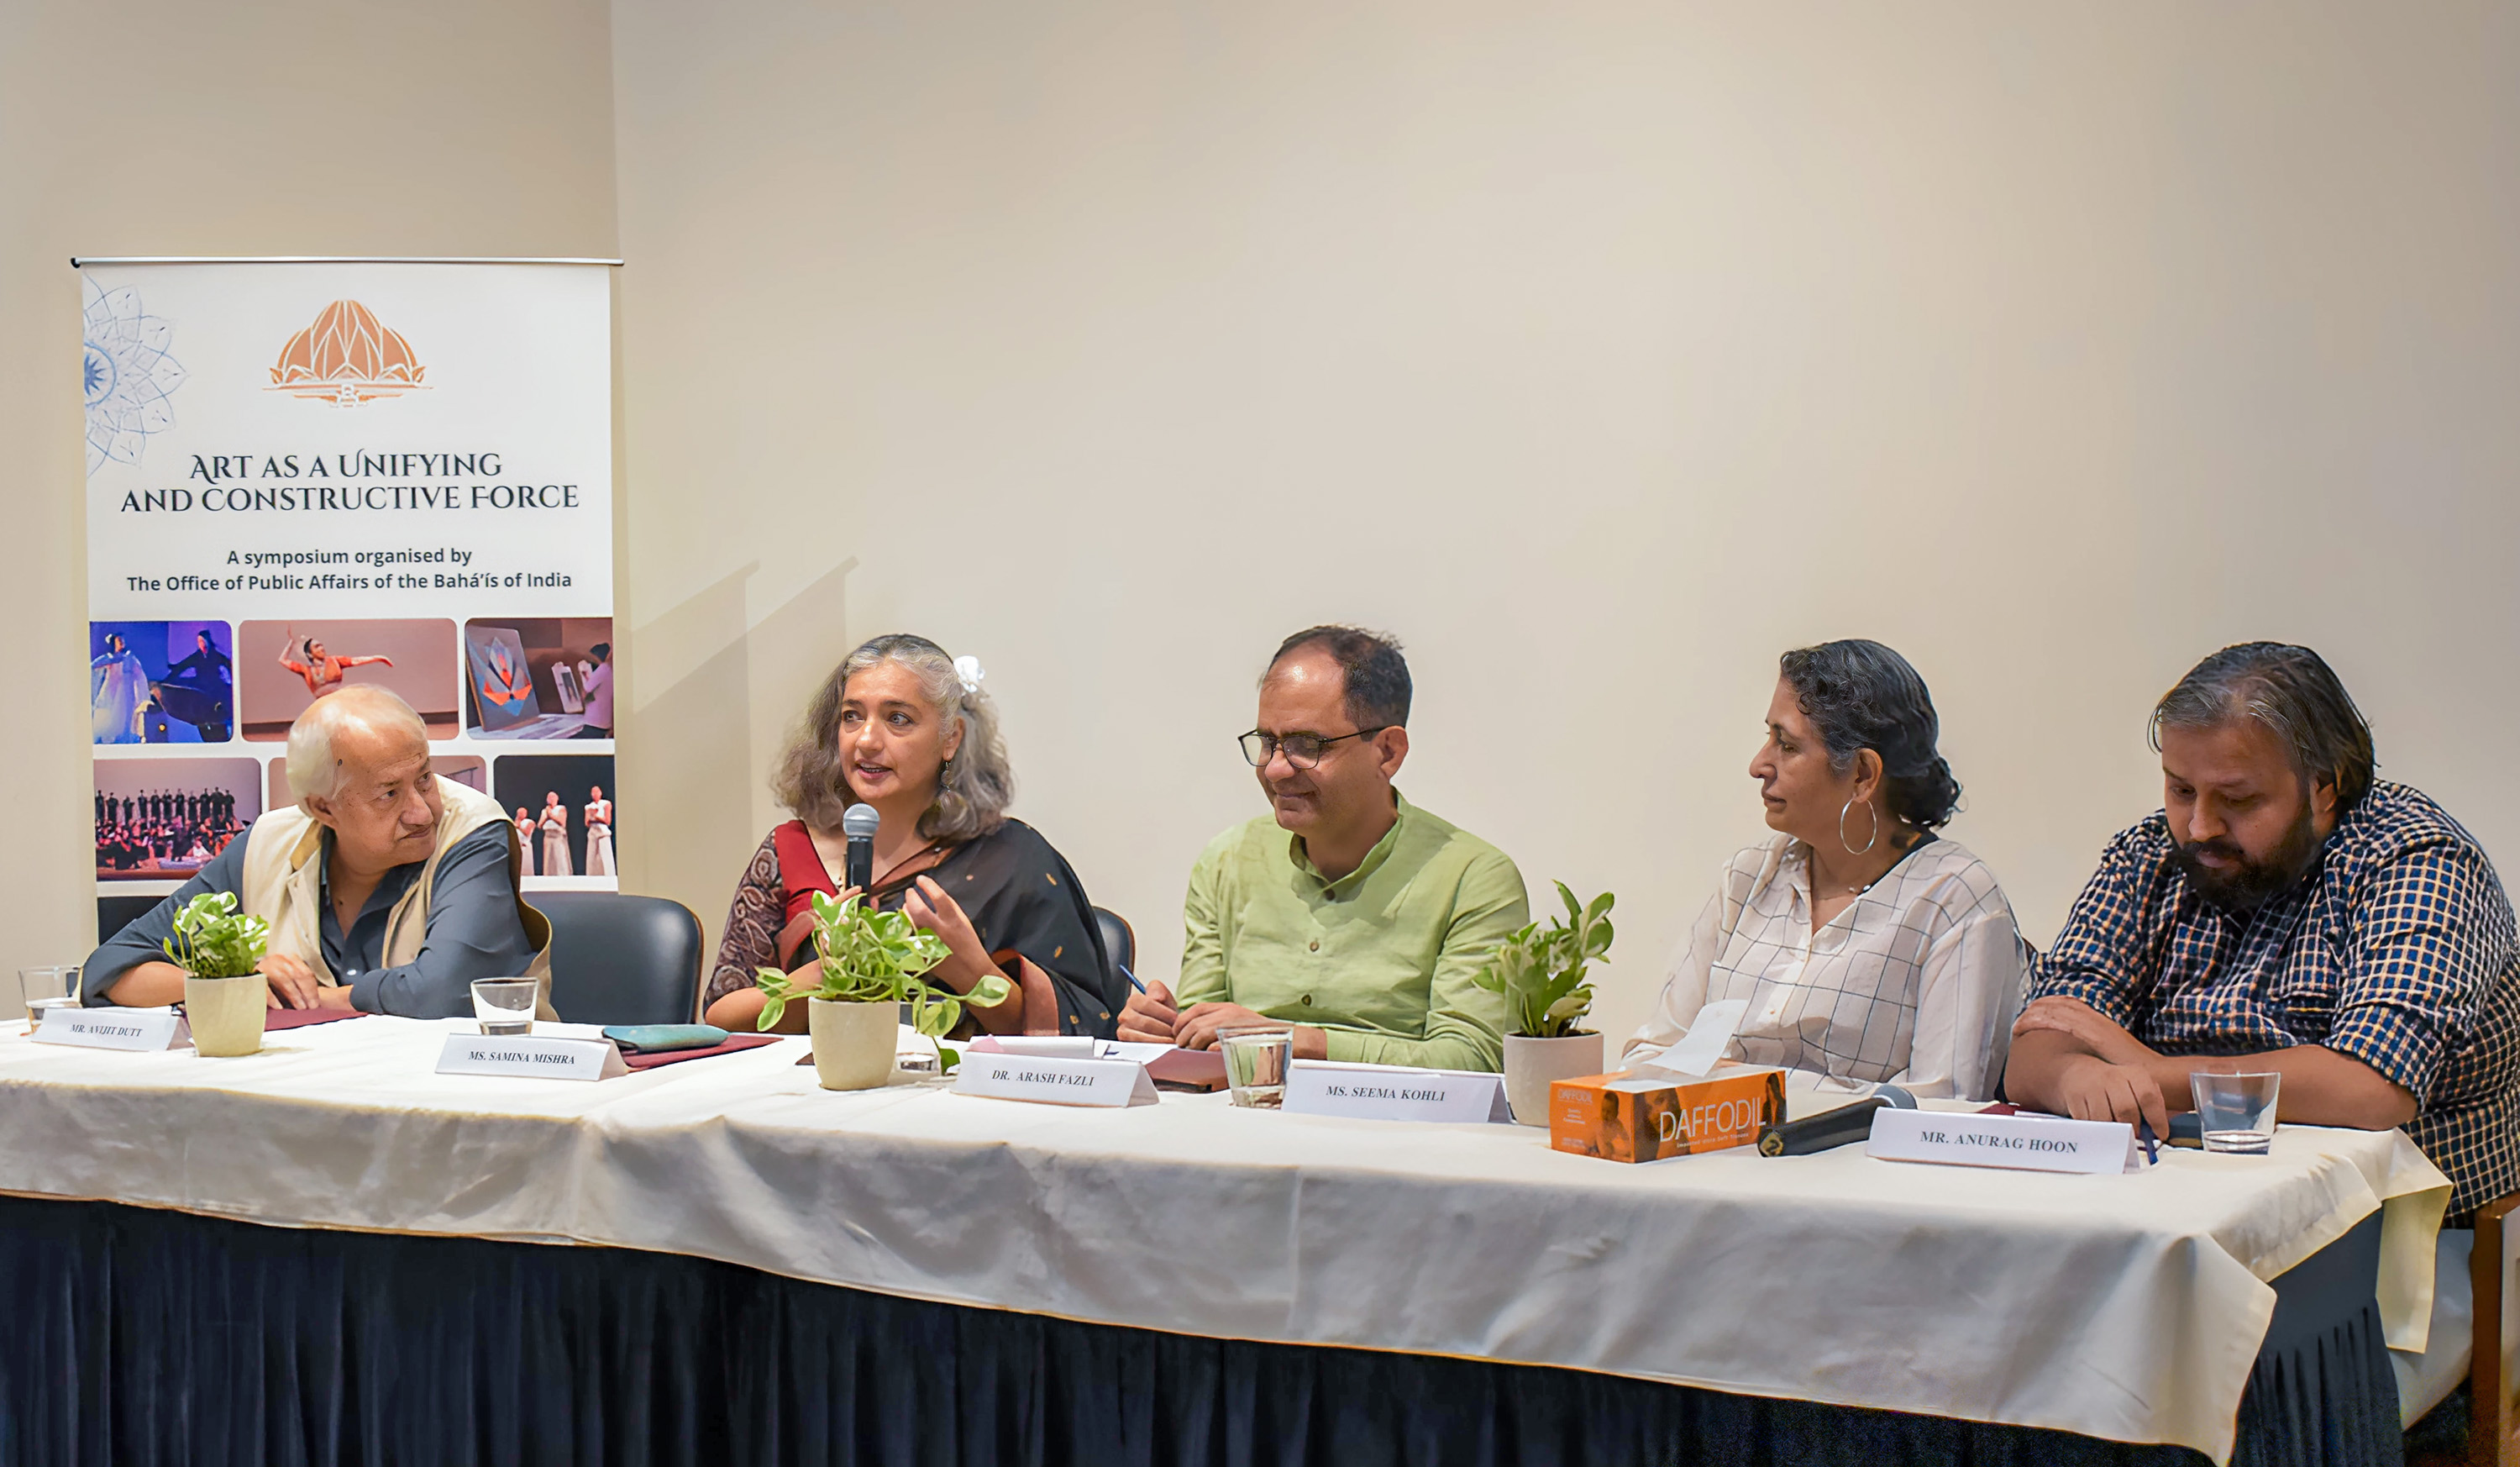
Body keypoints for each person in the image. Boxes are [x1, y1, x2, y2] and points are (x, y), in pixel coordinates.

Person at [2006, 643, 2520, 1228]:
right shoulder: (2145, 858)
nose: (2200, 827)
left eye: (2238, 799)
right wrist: (2078, 1076)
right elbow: (2038, 1042)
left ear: (2325, 788)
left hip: (2395, 1242)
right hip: (2168, 1209)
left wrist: (2143, 1069)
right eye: (2180, 790)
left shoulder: (2418, 858)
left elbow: (2371, 1088)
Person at [1116, 625, 1529, 1071]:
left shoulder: (1473, 878)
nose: (1275, 769)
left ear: (1387, 752)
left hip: (1397, 1132)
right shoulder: (1228, 861)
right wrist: (1164, 1029)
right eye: (1268, 742)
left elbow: (1472, 1060)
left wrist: (1296, 1042)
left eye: (1305, 745)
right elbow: (1204, 1043)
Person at [1625, 640, 2024, 1099]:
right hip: (1713, 1165)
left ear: (1861, 775)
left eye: (1787, 745)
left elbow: (1939, 1107)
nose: (1759, 765)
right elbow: (1649, 1057)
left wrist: (1726, 1086)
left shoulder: (1955, 899)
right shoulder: (1747, 877)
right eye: (1768, 737)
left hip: (1857, 1169)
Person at [705, 634, 1116, 1038]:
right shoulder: (789, 851)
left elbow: (1086, 1032)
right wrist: (824, 975)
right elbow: (722, 1016)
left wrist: (970, 969)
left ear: (950, 738)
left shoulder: (1011, 859)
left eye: (897, 718)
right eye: (852, 716)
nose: (866, 739)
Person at [83, 685, 549, 1016]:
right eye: (389, 794)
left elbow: (442, 994)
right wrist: (232, 985)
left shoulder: (472, 830)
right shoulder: (266, 844)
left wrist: (320, 999)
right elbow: (108, 971)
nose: (423, 813)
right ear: (322, 809)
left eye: (424, 777)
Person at [281, 628, 392, 697]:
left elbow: (356, 660)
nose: (322, 648)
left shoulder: (334, 661)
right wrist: (291, 643)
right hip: (322, 707)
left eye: (321, 645)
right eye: (317, 647)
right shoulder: (306, 670)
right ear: (310, 654)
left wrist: (378, 658)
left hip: (340, 700)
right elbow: (283, 660)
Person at [91, 631, 148, 744]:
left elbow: (139, 675)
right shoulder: (110, 658)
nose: (121, 642)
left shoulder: (130, 658)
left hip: (127, 692)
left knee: (126, 716)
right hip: (112, 691)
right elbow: (94, 666)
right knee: (110, 714)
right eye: (118, 640)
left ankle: (126, 738)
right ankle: (109, 738)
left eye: (122, 640)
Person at [578, 642, 613, 737]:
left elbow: (586, 690)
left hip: (594, 721)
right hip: (606, 722)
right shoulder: (612, 670)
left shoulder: (603, 669)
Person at [538, 791, 574, 876]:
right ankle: (549, 875)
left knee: (559, 856)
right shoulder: (545, 811)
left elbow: (562, 822)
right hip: (548, 835)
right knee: (548, 857)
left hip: (557, 835)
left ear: (557, 799)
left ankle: (562, 875)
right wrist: (545, 817)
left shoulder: (561, 809)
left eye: (553, 797)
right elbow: (539, 825)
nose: (551, 799)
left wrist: (550, 815)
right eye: (549, 797)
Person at [584, 784, 616, 876]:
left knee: (605, 853)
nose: (595, 794)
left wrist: (597, 816)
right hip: (593, 831)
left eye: (597, 792)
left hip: (602, 831)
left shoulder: (606, 804)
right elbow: (587, 822)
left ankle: (608, 874)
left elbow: (607, 821)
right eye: (593, 792)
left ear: (601, 793)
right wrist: (592, 817)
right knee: (592, 854)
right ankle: (592, 875)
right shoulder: (589, 806)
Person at [513, 805, 538, 875]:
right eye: (519, 813)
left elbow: (527, 832)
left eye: (522, 813)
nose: (520, 815)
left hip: (525, 846)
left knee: (526, 866)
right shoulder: (515, 822)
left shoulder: (529, 822)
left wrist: (518, 826)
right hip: (517, 846)